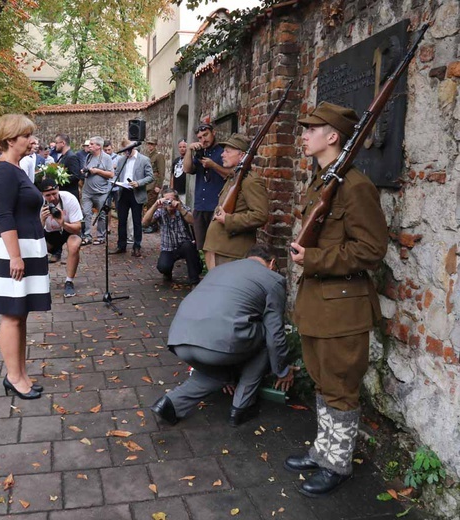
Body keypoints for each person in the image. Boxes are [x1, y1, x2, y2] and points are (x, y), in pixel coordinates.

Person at [285, 102, 388, 497]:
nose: (305, 134)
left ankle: (338, 463)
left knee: (341, 386)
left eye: (313, 129)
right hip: (317, 304)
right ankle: (322, 450)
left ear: (333, 137)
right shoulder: (322, 181)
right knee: (322, 380)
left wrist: (315, 259)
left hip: (343, 308)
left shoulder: (356, 186)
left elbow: (372, 250)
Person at [151, 244, 295, 427]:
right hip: (220, 344)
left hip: (179, 339)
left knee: (217, 375)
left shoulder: (219, 270)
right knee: (267, 337)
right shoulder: (273, 279)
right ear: (272, 263)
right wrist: (282, 371)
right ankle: (241, 407)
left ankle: (170, 404)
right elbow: (275, 334)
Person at [0, 114, 50, 400]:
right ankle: (13, 377)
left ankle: (21, 372)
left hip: (28, 248)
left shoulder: (17, 168)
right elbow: (4, 216)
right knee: (12, 316)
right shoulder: (2, 171)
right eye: (26, 135)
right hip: (16, 251)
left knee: (21, 314)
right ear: (10, 139)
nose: (31, 140)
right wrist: (15, 257)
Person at [203, 134, 268, 269]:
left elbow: (260, 215)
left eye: (228, 151)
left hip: (231, 254)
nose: (222, 154)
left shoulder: (250, 181)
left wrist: (228, 219)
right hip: (219, 249)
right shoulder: (234, 177)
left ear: (242, 155)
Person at [183, 122, 227, 251]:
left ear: (214, 133)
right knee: (201, 246)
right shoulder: (201, 153)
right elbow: (187, 169)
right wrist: (189, 150)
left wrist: (213, 165)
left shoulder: (223, 152)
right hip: (200, 206)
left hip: (216, 206)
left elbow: (230, 175)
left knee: (216, 246)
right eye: (200, 137)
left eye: (206, 135)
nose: (203, 140)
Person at [142, 189, 200, 286]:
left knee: (188, 246)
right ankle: (167, 272)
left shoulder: (182, 208)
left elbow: (193, 222)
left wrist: (180, 208)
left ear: (177, 200)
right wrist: (155, 206)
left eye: (171, 200)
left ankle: (194, 281)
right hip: (168, 248)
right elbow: (144, 223)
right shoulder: (160, 211)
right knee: (163, 266)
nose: (169, 203)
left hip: (184, 246)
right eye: (166, 200)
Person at [39, 178, 83, 297]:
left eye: (54, 194)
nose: (52, 198)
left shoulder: (69, 198)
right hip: (49, 232)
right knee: (37, 247)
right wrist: (42, 220)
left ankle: (69, 281)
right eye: (48, 195)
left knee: (74, 247)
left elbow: (78, 227)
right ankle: (42, 278)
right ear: (42, 195)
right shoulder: (38, 203)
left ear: (58, 189)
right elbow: (34, 232)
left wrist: (62, 223)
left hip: (69, 229)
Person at [110, 140, 153, 258]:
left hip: (136, 193)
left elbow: (150, 176)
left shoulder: (144, 159)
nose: (125, 154)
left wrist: (138, 183)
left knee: (136, 221)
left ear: (132, 149)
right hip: (123, 192)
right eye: (123, 152)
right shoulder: (121, 160)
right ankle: (121, 245)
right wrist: (115, 182)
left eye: (127, 151)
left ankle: (137, 246)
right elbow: (117, 174)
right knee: (122, 220)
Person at [80, 136, 114, 246]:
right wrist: (84, 172)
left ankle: (101, 236)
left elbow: (111, 174)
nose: (89, 146)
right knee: (86, 213)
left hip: (101, 192)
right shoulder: (88, 156)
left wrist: (97, 171)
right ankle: (87, 236)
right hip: (87, 191)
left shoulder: (107, 158)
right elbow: (87, 170)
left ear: (98, 146)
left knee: (102, 215)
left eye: (91, 144)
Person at [143, 138, 166, 233]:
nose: (150, 146)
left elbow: (162, 172)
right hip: (147, 184)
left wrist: (158, 186)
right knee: (147, 204)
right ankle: (147, 223)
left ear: (155, 145)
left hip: (154, 184)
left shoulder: (158, 156)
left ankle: (153, 225)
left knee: (151, 205)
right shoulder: (148, 155)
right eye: (149, 144)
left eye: (152, 144)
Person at [54, 134, 83, 199]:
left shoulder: (71, 157)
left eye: (56, 143)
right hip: (63, 193)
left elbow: (76, 176)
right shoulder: (63, 156)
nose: (55, 145)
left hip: (70, 194)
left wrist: (58, 180)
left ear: (63, 143)